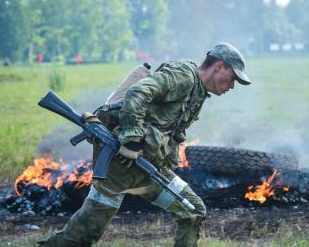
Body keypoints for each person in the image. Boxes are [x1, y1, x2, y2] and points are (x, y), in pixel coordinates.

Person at [41, 43, 251, 247]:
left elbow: (173, 128)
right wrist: (132, 139)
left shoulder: (198, 92)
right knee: (81, 236)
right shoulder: (183, 76)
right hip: (120, 169)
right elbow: (138, 93)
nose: (232, 86)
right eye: (232, 78)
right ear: (219, 66)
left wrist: (168, 159)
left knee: (192, 211)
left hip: (149, 168)